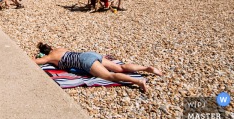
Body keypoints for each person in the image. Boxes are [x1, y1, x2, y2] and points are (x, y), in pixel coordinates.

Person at [33, 42, 162, 92]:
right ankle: (146, 68)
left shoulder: (49, 57)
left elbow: (35, 62)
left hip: (85, 62)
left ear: (45, 53)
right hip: (89, 54)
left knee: (110, 76)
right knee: (120, 67)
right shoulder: (60, 48)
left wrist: (39, 58)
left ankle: (139, 82)